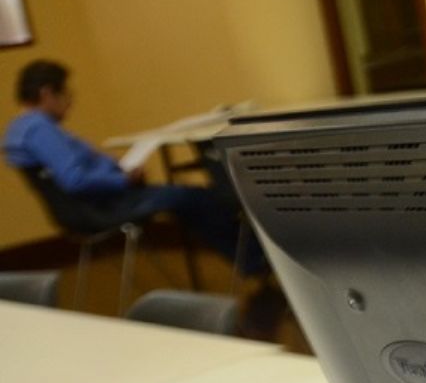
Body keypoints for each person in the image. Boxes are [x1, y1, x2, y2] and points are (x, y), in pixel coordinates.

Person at [6, 58, 269, 278]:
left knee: (191, 199)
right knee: (197, 197)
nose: (70, 101)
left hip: (86, 208)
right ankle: (256, 260)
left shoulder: (20, 129)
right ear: (46, 93)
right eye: (65, 94)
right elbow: (75, 179)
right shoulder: (39, 129)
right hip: (100, 208)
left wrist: (112, 168)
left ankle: (252, 260)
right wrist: (122, 179)